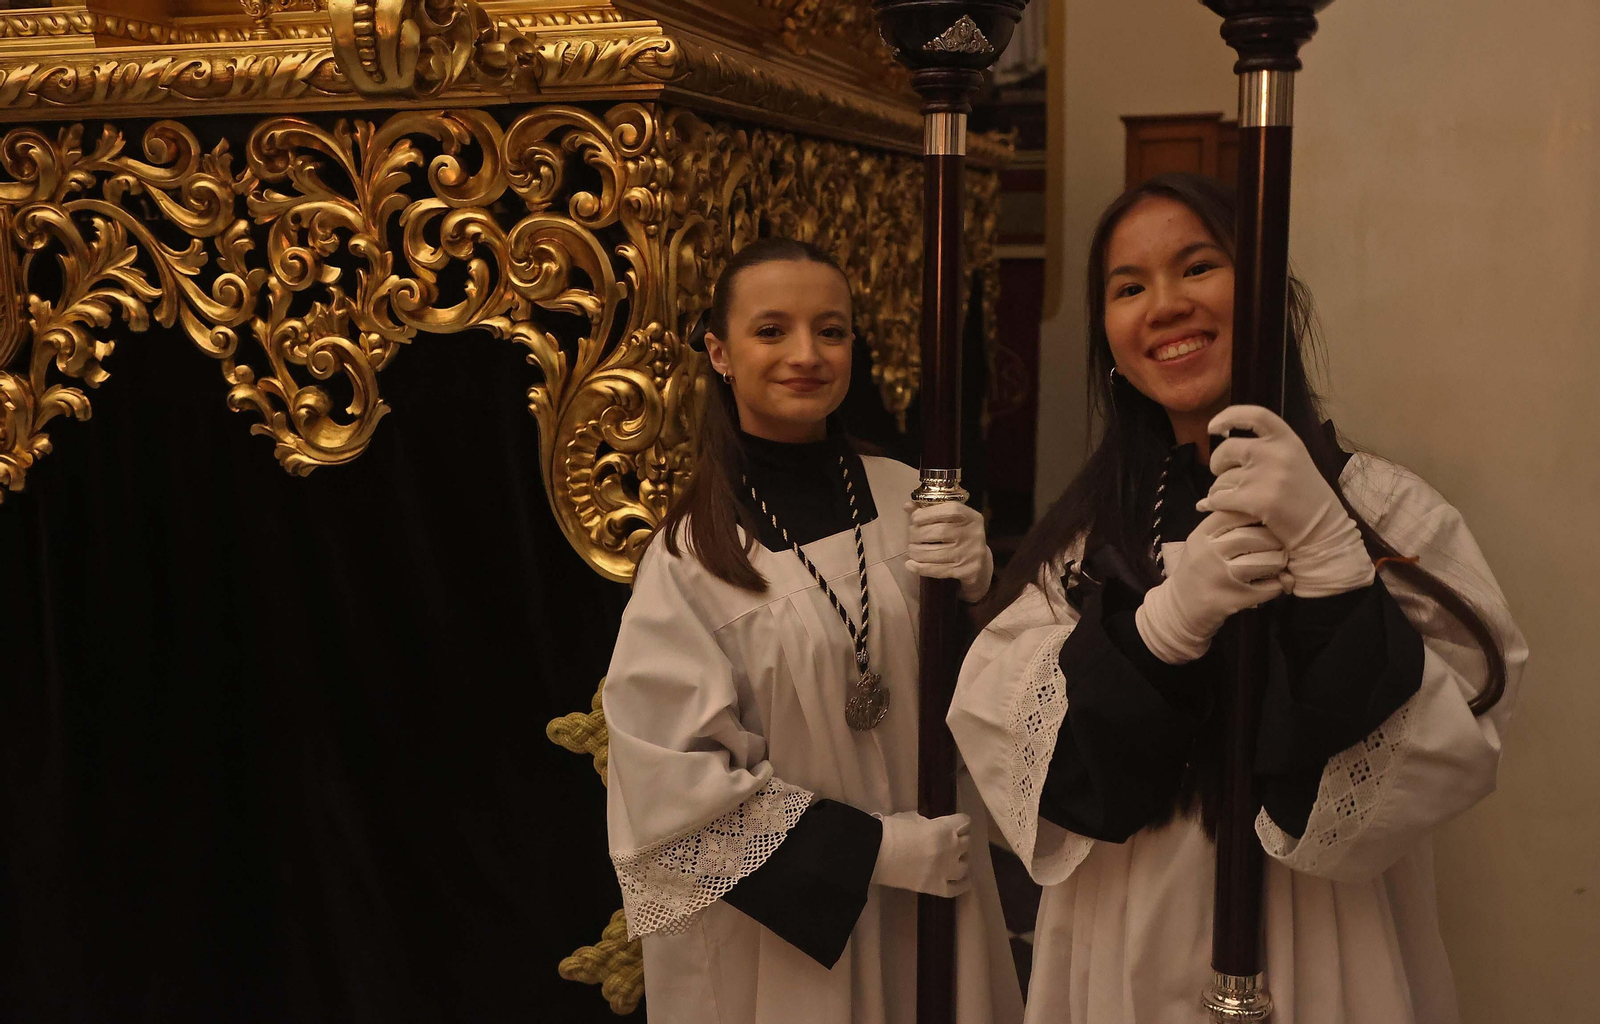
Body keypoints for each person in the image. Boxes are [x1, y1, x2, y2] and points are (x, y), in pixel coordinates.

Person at [947, 174, 1526, 1024]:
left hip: (1321, 935)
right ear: (1109, 340)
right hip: (1126, 931)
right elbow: (1023, 759)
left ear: (1265, 297)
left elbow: (1457, 738)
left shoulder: (1386, 508)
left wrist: (1335, 572)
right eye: (1129, 288)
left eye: (1197, 267)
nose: (1166, 306)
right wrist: (1157, 634)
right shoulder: (1088, 531)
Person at [602, 237, 1025, 1024]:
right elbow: (668, 782)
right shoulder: (693, 557)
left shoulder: (910, 497)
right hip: (788, 940)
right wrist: (875, 852)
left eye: (831, 330)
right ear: (719, 353)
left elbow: (988, 703)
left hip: (938, 886)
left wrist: (980, 599)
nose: (807, 354)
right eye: (772, 330)